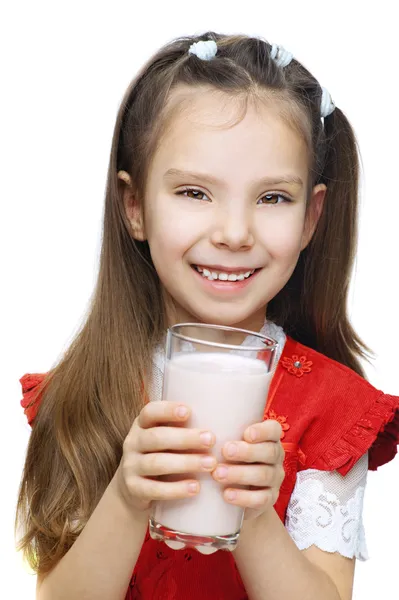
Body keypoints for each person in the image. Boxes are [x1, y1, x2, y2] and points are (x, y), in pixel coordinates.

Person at [15, 32, 399, 600]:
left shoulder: (330, 413)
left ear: (312, 217)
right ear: (134, 206)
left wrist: (255, 514)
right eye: (195, 192)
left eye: (272, 198)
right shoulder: (87, 394)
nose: (234, 233)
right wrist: (125, 498)